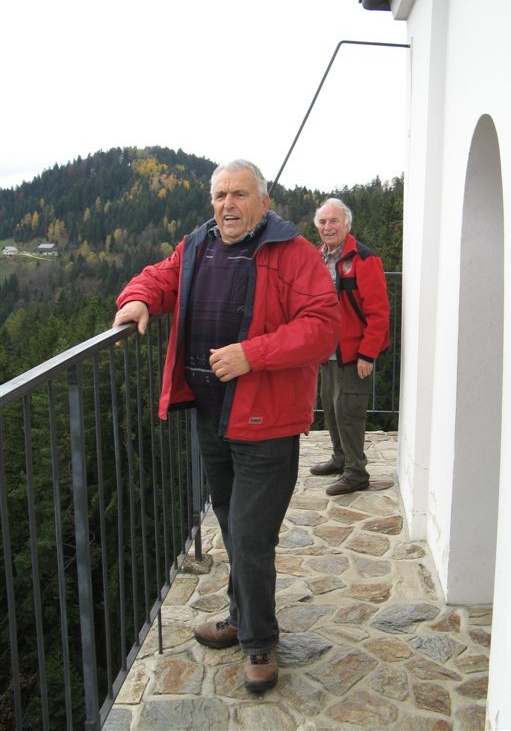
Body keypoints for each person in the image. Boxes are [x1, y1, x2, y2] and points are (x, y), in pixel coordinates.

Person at [113, 160, 339, 693]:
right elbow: (160, 276)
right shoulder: (198, 244)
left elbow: (322, 327)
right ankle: (241, 616)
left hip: (266, 420)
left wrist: (252, 354)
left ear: (264, 202)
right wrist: (137, 298)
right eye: (219, 195)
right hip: (213, 415)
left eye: (238, 194)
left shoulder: (294, 252)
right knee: (230, 521)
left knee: (251, 533)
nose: (227, 205)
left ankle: (258, 641)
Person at [310, 197, 390, 496]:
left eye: (334, 221)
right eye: (322, 222)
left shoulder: (363, 259)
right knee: (331, 410)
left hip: (354, 354)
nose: (327, 227)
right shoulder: (318, 257)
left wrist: (368, 353)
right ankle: (340, 458)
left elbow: (378, 312)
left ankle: (356, 473)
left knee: (349, 413)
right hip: (327, 352)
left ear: (346, 224)